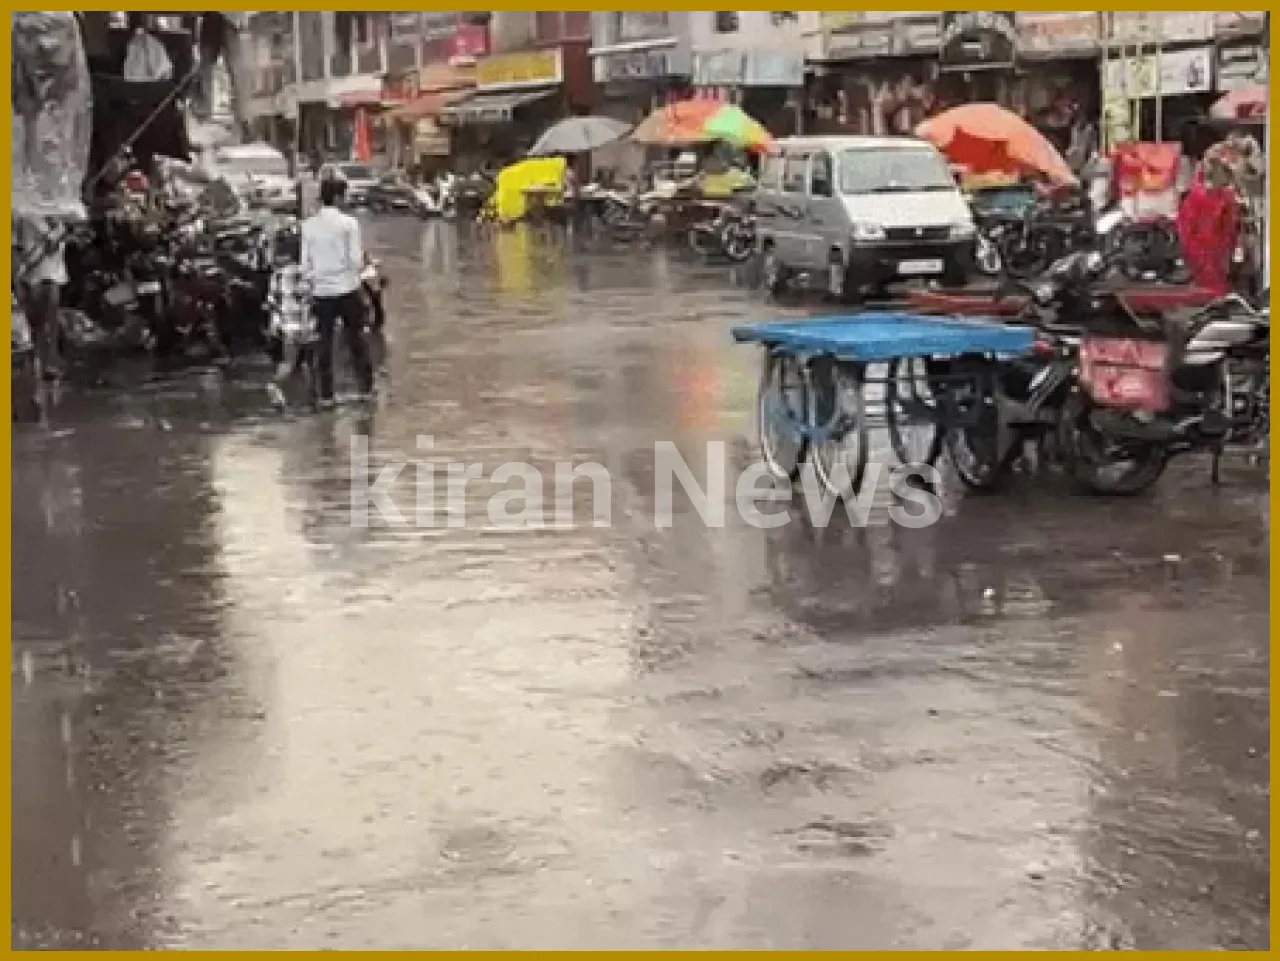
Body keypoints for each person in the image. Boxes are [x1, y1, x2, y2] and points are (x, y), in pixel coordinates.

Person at [300, 176, 374, 407]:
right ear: (339, 197)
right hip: (347, 289)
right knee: (356, 340)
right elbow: (355, 260)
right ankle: (366, 390)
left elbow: (305, 265)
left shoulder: (308, 226)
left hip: (322, 292)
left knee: (324, 342)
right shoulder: (349, 224)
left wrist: (316, 280)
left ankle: (326, 395)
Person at [14, 215, 67, 380]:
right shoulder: (21, 217)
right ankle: (39, 362)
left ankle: (49, 362)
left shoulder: (60, 222)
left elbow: (54, 247)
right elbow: (14, 248)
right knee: (36, 324)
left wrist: (57, 232)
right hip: (31, 277)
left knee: (50, 321)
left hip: (51, 276)